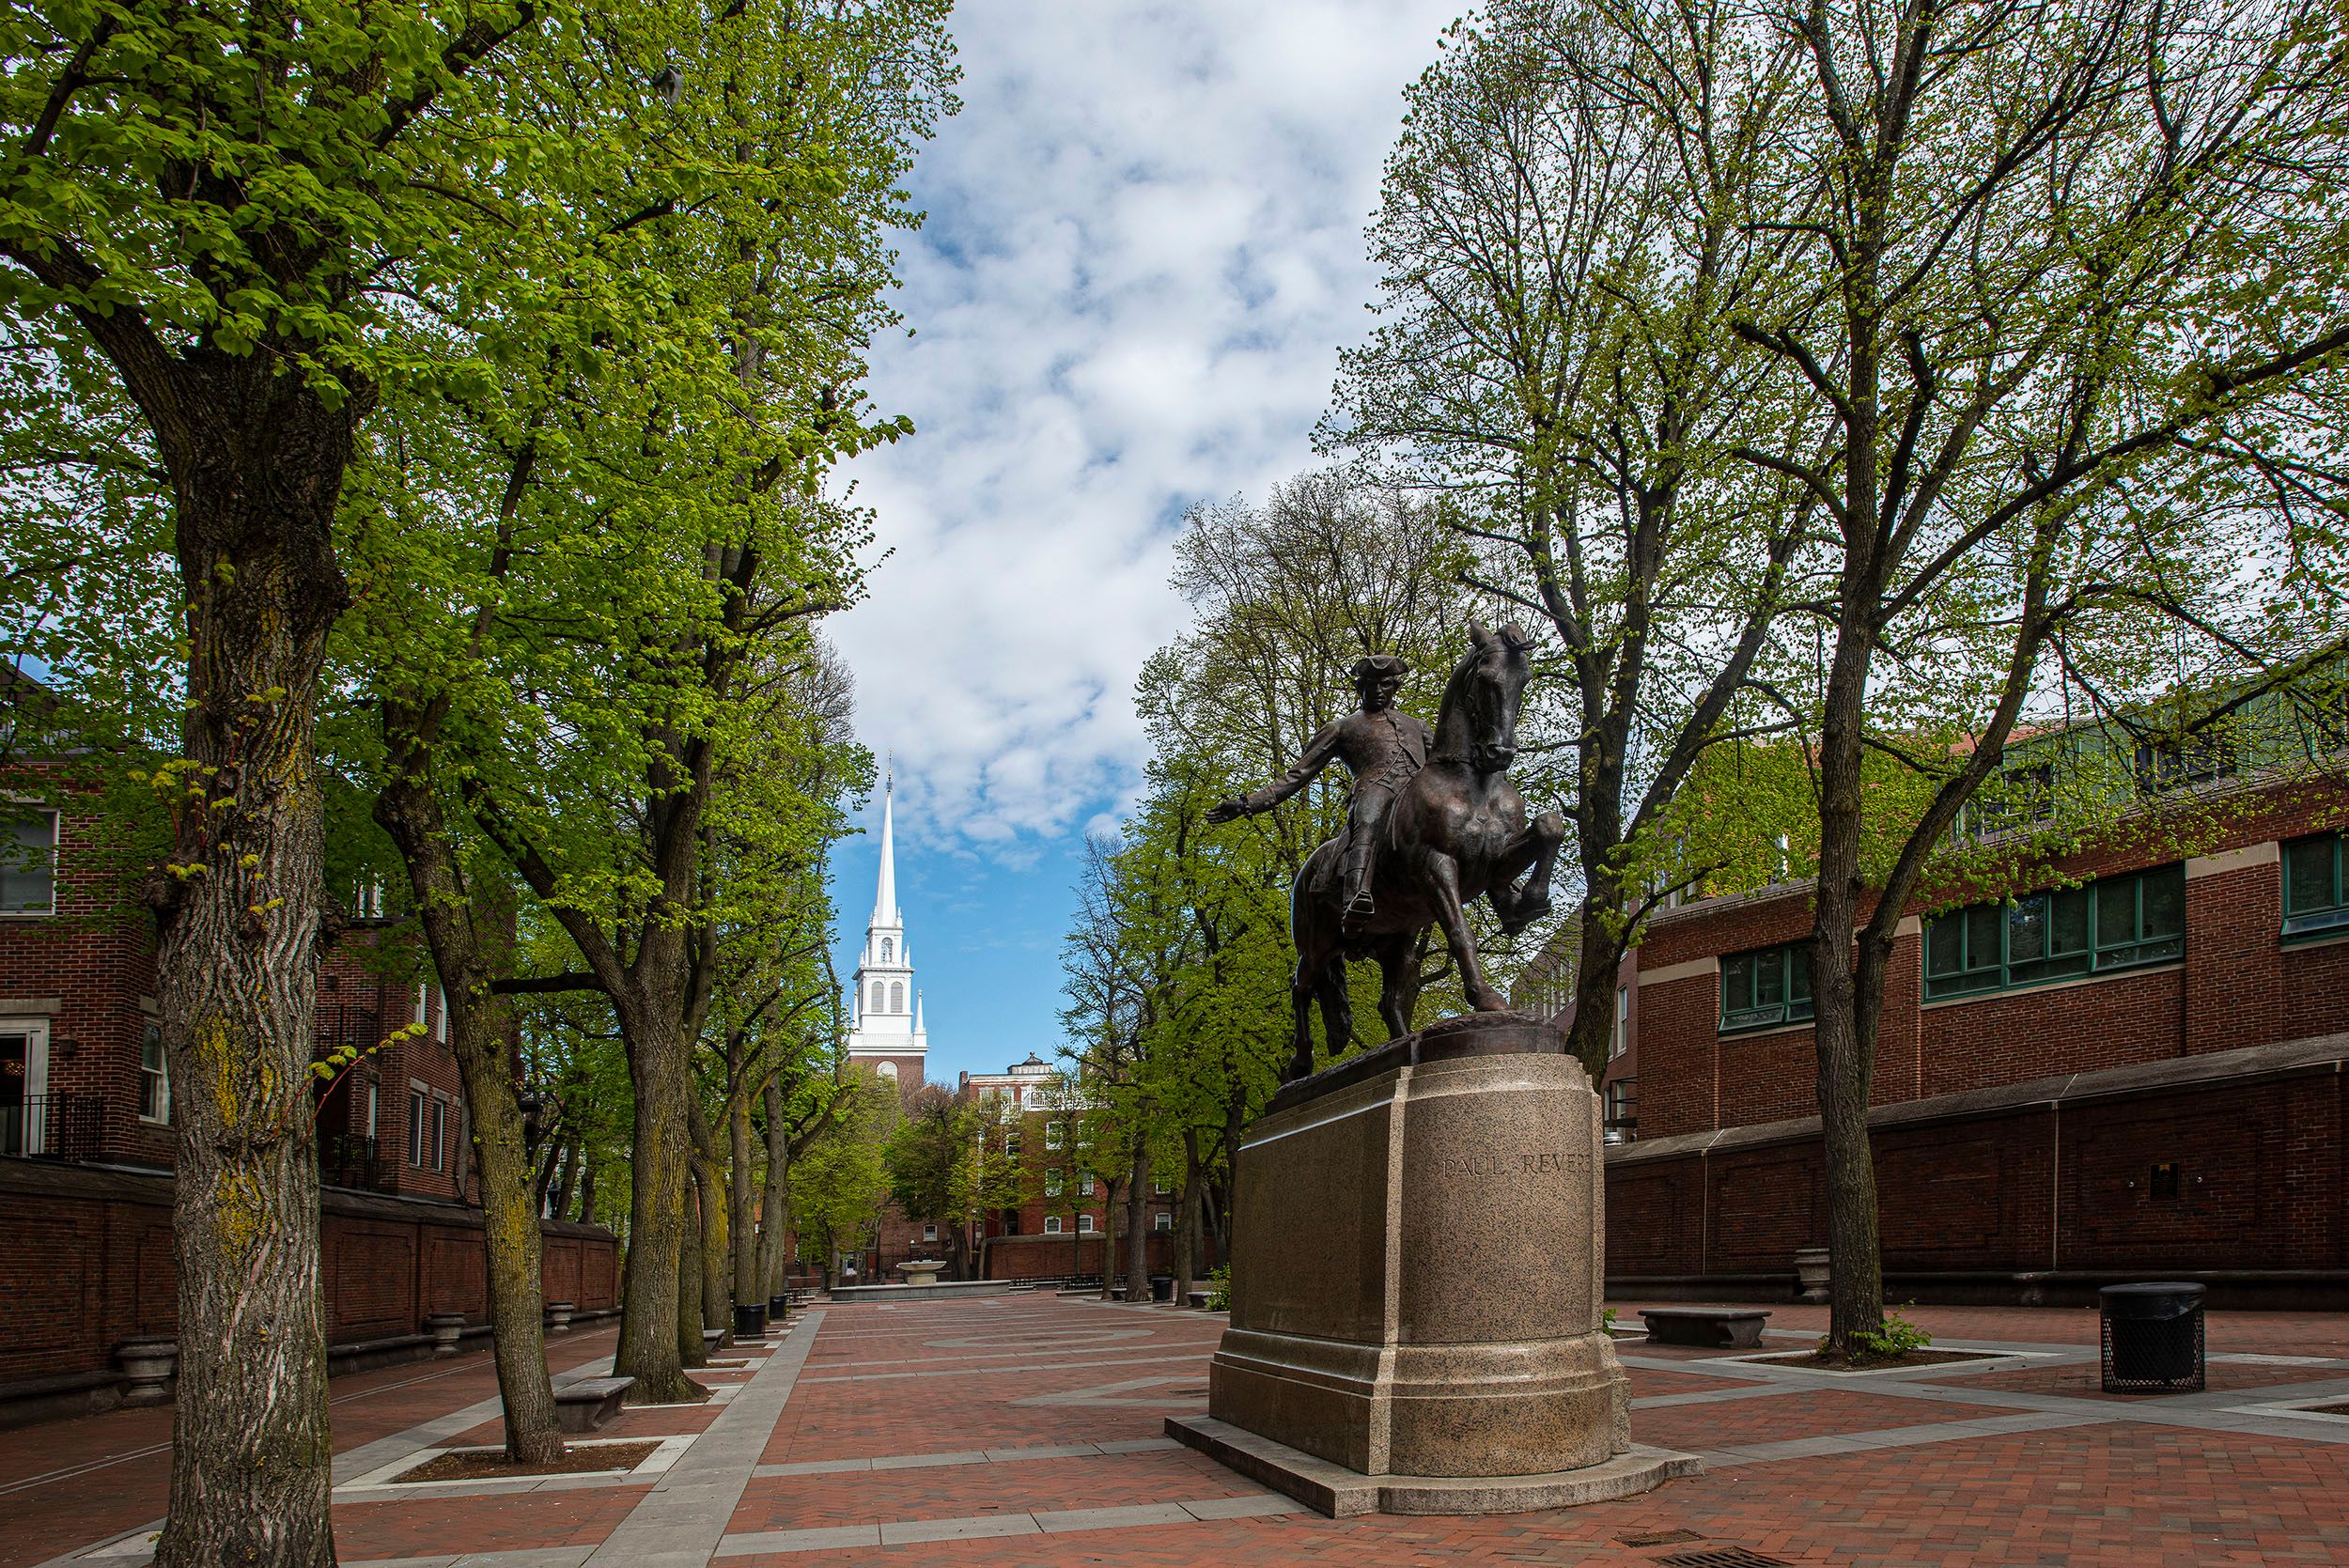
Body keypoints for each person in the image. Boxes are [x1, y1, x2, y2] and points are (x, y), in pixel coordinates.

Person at [1208, 654, 1430, 928]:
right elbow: (1297, 775)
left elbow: (1443, 763)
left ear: (1395, 686)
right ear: (1360, 688)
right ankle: (1356, 896)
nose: (1377, 691)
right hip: (1376, 788)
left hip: (1420, 794)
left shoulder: (1417, 725)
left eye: (1384, 684)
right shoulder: (1342, 728)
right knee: (1369, 818)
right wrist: (1247, 803)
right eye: (1370, 685)